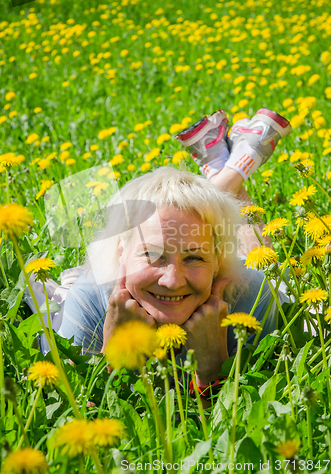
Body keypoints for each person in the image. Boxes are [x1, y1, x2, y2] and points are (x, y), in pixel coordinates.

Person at [58, 107, 291, 393]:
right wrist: (115, 356)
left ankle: (224, 164)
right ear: (121, 252)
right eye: (153, 255)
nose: (172, 280)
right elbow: (86, 413)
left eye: (194, 257)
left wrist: (212, 369)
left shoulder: (253, 298)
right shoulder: (90, 300)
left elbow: (248, 421)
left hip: (241, 276)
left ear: (218, 260)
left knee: (259, 262)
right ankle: (231, 166)